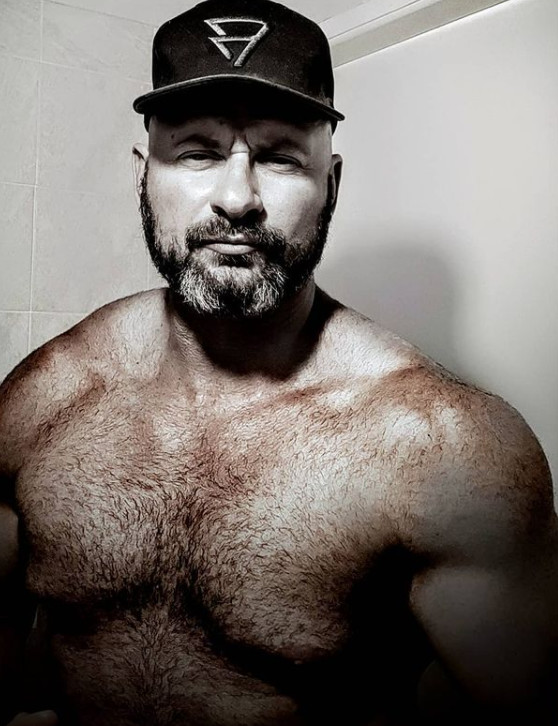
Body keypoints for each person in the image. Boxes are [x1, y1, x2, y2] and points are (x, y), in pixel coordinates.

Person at [1, 0, 556, 724]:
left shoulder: (446, 450)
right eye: (197, 152)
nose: (236, 199)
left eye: (280, 156)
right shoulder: (46, 396)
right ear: (143, 174)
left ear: (332, 183)